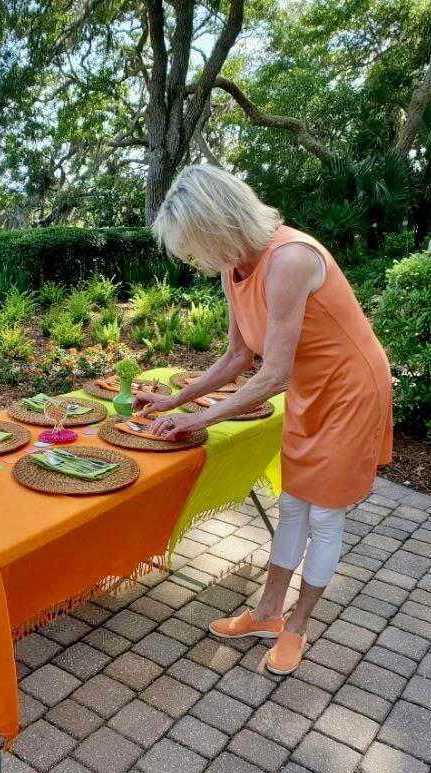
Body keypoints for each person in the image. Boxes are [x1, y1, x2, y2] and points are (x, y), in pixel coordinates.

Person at [135, 164, 392, 675]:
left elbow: (272, 375)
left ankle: (297, 627)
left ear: (216, 225)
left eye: (191, 245)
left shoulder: (291, 259)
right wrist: (176, 401)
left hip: (351, 392)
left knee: (323, 517)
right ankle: (268, 614)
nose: (191, 258)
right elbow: (237, 360)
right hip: (308, 390)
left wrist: (199, 419)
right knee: (293, 507)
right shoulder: (235, 267)